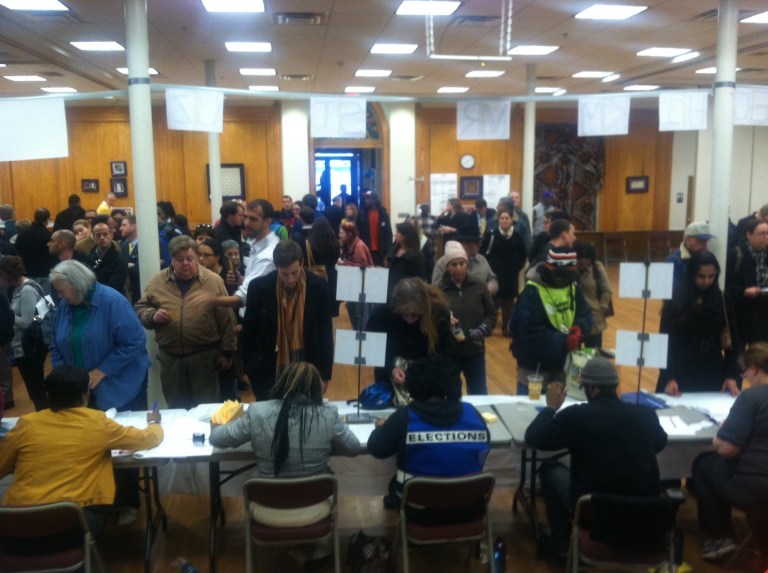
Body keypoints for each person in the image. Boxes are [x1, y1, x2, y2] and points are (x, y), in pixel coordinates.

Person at [210, 361, 359, 570]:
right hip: (313, 506)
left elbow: (217, 439)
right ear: (317, 388)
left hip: (267, 505)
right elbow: (352, 447)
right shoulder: (328, 413)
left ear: (282, 383)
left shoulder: (258, 412)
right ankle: (316, 550)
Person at [0, 365, 163, 549]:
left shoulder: (26, 424)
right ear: (85, 394)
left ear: (48, 395)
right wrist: (154, 422)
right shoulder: (97, 422)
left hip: (17, 526)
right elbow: (148, 438)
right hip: (73, 527)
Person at [525, 358, 668, 554]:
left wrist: (550, 408)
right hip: (643, 513)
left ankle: (561, 542)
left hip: (596, 512)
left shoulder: (577, 416)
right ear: (615, 386)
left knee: (549, 469)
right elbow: (660, 442)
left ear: (591, 390)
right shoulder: (646, 414)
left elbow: (533, 438)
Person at [49, 259, 153, 525]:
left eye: (62, 291)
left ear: (78, 286)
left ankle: (128, 501)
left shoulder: (112, 301)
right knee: (86, 442)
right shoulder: (66, 306)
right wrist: (67, 376)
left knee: (120, 443)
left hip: (120, 383)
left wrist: (100, 372)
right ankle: (95, 500)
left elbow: (134, 342)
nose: (59, 296)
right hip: (80, 388)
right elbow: (56, 343)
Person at [368, 354, 490, 512]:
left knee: (393, 485)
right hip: (470, 508)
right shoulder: (473, 414)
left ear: (414, 386)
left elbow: (377, 448)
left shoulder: (404, 417)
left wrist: (381, 427)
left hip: (418, 511)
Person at [136, 235, 237, 409]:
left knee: (206, 409)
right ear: (171, 260)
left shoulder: (213, 281)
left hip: (204, 357)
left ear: (197, 258)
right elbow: (141, 306)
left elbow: (227, 318)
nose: (185, 264)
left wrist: (228, 352)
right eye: (179, 260)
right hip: (170, 358)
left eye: (190, 259)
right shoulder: (157, 282)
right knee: (177, 408)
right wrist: (152, 316)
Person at [691, 343, 768, 561]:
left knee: (704, 464)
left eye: (744, 372)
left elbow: (726, 449)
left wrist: (720, 433)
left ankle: (721, 536)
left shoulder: (751, 398)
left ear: (753, 369)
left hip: (752, 487)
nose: (745, 377)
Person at [242, 241, 333, 400]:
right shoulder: (258, 288)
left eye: (295, 272)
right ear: (276, 266)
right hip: (269, 370)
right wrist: (252, 369)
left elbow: (325, 333)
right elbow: (248, 331)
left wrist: (324, 375)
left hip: (308, 366)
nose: (290, 279)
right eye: (284, 274)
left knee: (305, 418)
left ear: (302, 263)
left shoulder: (319, 287)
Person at [510, 247, 593, 395]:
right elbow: (528, 333)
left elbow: (585, 314)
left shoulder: (573, 286)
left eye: (569, 277)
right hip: (535, 369)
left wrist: (579, 327)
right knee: (530, 414)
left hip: (565, 367)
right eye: (561, 276)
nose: (564, 281)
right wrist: (563, 341)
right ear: (549, 270)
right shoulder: (531, 293)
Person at [656, 251, 741, 397]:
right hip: (680, 371)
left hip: (712, 370)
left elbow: (733, 342)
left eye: (711, 276)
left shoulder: (722, 299)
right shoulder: (675, 299)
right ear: (691, 274)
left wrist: (731, 375)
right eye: (701, 276)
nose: (707, 282)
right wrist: (669, 377)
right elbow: (664, 342)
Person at [367, 278, 452, 400]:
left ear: (425, 305)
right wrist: (390, 369)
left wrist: (421, 372)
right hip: (388, 380)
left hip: (428, 376)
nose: (409, 319)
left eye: (415, 314)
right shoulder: (382, 313)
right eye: (404, 313)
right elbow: (373, 350)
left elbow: (444, 351)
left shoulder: (439, 312)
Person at [436, 241, 496, 395]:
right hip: (449, 352)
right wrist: (444, 321)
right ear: (447, 267)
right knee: (449, 393)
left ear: (467, 264)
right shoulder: (439, 290)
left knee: (479, 393)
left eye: (461, 263)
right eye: (453, 264)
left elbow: (491, 314)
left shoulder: (479, 286)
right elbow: (431, 318)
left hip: (474, 351)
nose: (458, 268)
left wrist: (484, 328)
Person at [0, 255, 49, 411]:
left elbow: (25, 323)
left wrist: (8, 315)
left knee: (36, 390)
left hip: (28, 348)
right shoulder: (24, 287)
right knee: (36, 388)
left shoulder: (27, 290)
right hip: (27, 346)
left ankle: (44, 419)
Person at [480, 209, 527, 336]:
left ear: (512, 220)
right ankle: (490, 326)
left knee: (509, 303)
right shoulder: (492, 234)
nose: (504, 220)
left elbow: (523, 254)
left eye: (507, 218)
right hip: (494, 273)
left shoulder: (517, 236)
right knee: (492, 301)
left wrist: (517, 267)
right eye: (502, 218)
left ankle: (506, 327)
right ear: (498, 220)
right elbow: (483, 252)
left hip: (511, 274)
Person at [726, 218, 768, 344]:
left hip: (763, 314)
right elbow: (724, 284)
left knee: (760, 354)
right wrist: (743, 291)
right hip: (741, 314)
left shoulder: (766, 255)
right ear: (749, 235)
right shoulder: (735, 255)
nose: (766, 237)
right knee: (738, 356)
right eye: (762, 234)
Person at [432, 223, 498, 296]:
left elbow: (492, 279)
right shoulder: (443, 263)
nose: (479, 245)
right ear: (464, 243)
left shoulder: (481, 259)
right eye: (476, 242)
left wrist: (490, 288)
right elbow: (435, 290)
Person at [574, 241, 613, 349]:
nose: (579, 265)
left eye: (582, 263)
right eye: (577, 262)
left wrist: (601, 308)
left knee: (593, 354)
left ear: (590, 259)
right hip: (574, 320)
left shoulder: (597, 267)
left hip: (594, 319)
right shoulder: (571, 269)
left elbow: (607, 290)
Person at [14, 207, 55, 293]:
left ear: (35, 218)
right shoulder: (48, 235)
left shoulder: (22, 234)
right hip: (43, 273)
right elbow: (52, 254)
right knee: (45, 301)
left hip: (26, 272)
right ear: (48, 219)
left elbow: (16, 252)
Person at [307, 217, 340, 316]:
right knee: (331, 312)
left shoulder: (310, 244)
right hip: (333, 277)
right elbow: (336, 258)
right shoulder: (335, 243)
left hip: (316, 276)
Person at [667, 220, 714, 290]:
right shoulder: (674, 261)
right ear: (686, 238)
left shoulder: (709, 259)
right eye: (699, 239)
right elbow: (673, 291)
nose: (703, 243)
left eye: (706, 240)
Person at [88, 218, 128, 295]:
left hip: (112, 297)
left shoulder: (119, 259)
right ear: (93, 237)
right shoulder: (90, 256)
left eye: (105, 234)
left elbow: (115, 285)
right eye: (98, 235)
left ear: (111, 235)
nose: (102, 238)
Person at [386, 221, 425, 297]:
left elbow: (420, 279)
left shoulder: (416, 256)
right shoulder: (394, 249)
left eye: (398, 232)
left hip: (407, 293)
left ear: (406, 235)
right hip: (390, 290)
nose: (395, 234)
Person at [356, 190, 392, 266]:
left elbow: (388, 234)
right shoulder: (361, 214)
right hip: (365, 250)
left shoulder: (383, 214)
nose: (366, 200)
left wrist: (388, 253)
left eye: (368, 198)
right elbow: (357, 232)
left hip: (380, 251)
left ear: (375, 200)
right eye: (365, 198)